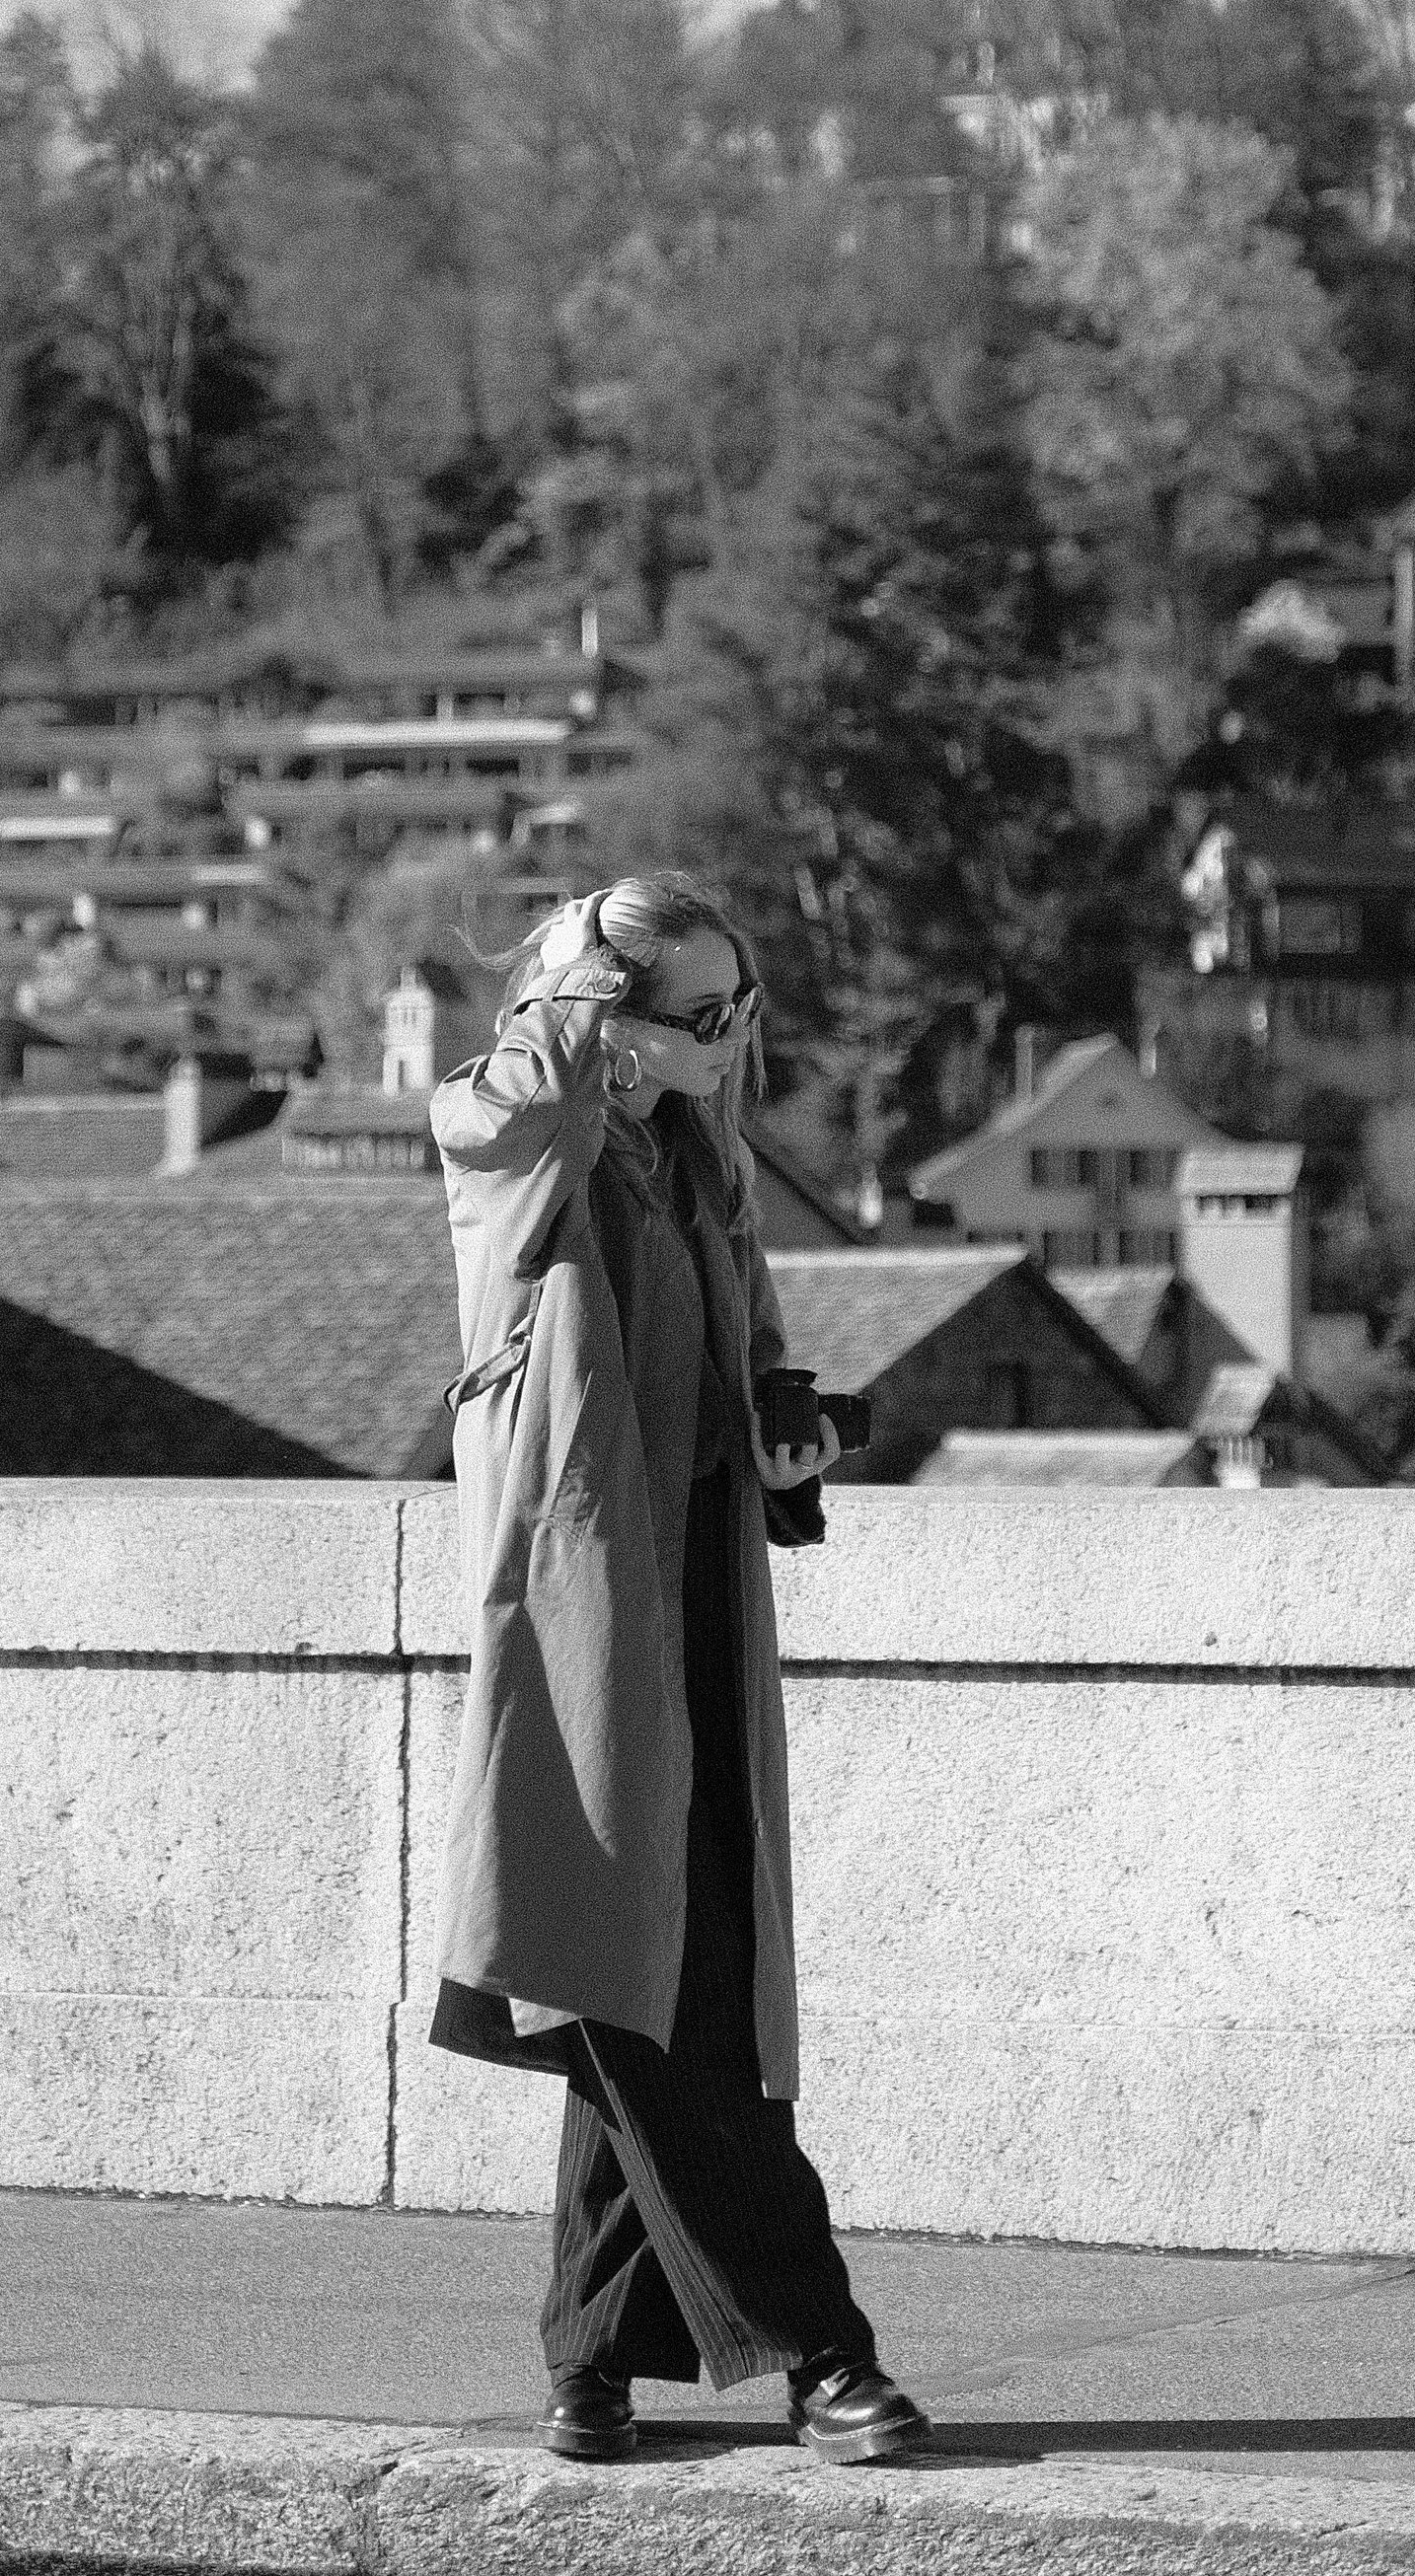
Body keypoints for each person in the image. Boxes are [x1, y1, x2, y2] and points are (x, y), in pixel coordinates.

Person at [426, 872, 928, 2467]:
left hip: (692, 1593)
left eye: (739, 1006)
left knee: (639, 1961)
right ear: (599, 1017)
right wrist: (578, 983)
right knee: (670, 1984)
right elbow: (511, 1107)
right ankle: (816, 2346)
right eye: (693, 1016)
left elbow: (742, 1325)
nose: (731, 1041)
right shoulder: (514, 1140)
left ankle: (593, 2355)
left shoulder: (695, 1147)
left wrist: (784, 1424)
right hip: (580, 1618)